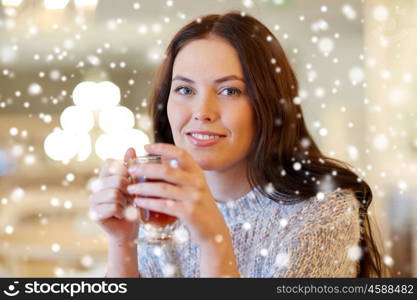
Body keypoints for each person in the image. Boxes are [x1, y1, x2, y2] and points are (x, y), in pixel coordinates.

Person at [89, 11, 389, 278]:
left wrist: (213, 241)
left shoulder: (323, 213)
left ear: (268, 104)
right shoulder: (160, 208)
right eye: (184, 89)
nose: (202, 111)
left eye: (230, 91)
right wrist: (122, 241)